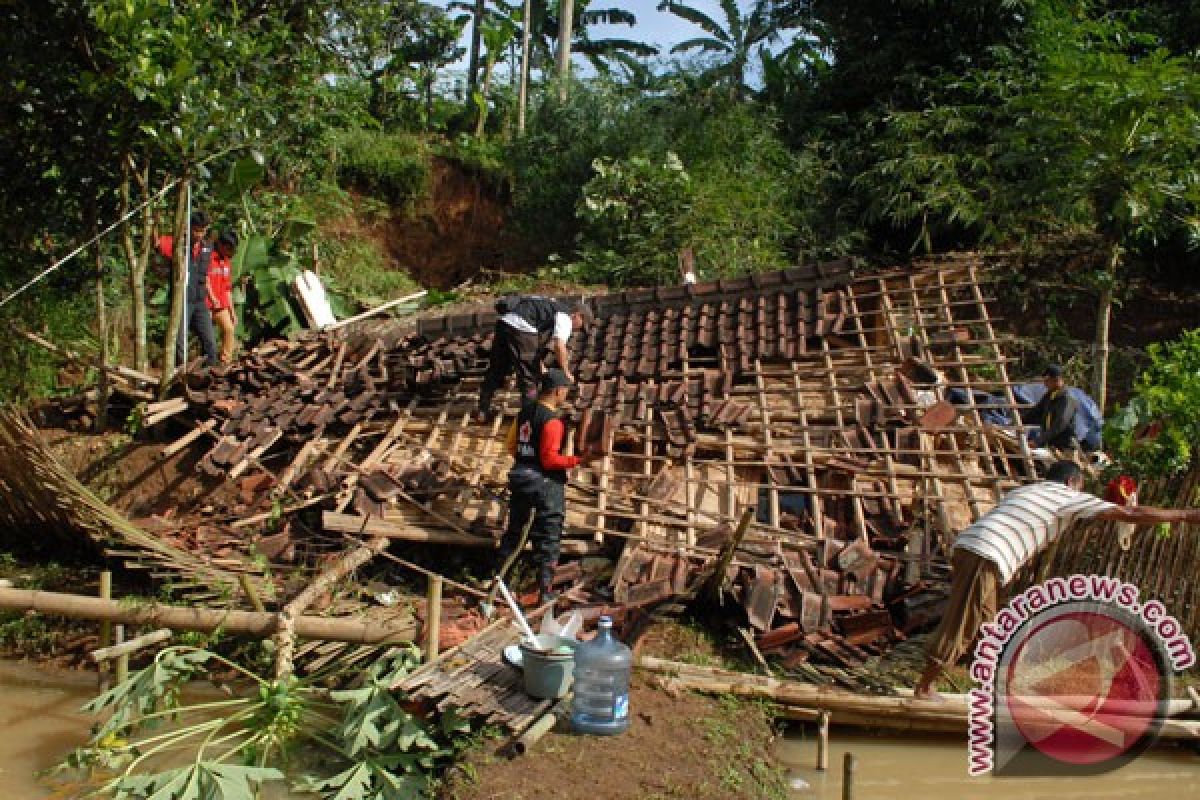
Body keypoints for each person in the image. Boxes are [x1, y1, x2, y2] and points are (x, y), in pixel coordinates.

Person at [914, 460, 1200, 700]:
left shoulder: (1028, 491)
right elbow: (1130, 512)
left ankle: (997, 690)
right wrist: (1185, 516)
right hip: (987, 553)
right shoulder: (1067, 497)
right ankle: (925, 686)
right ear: (1073, 482)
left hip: (970, 547)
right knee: (965, 622)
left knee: (988, 626)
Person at [498, 369, 598, 605]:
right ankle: (546, 593)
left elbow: (511, 445)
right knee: (549, 539)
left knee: (514, 533)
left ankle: (502, 585)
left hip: (521, 479)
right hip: (545, 484)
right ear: (557, 391)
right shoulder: (552, 422)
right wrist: (577, 461)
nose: (566, 395)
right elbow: (550, 460)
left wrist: (525, 460)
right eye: (565, 391)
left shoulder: (524, 413)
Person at [477, 296, 593, 421]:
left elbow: (532, 347)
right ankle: (529, 417)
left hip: (504, 323)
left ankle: (483, 409)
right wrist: (566, 371)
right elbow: (559, 346)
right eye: (581, 326)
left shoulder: (548, 305)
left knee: (497, 367)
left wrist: (539, 363)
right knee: (530, 377)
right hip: (522, 328)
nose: (577, 330)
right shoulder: (565, 318)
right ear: (577, 315)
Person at [158, 210, 218, 367]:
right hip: (182, 299)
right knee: (180, 343)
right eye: (197, 230)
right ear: (189, 228)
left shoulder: (207, 248)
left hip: (200, 300)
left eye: (203, 230)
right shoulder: (178, 245)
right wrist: (154, 220)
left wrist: (212, 298)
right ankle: (181, 374)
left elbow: (205, 276)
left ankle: (210, 375)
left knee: (210, 342)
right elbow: (157, 244)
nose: (199, 234)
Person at [1020, 365, 1080, 450]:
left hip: (1064, 447)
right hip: (1050, 444)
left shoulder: (1067, 399)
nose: (1045, 384)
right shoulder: (1049, 396)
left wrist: (1038, 441)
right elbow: (1034, 412)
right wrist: (1017, 422)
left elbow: (1059, 425)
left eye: (1047, 381)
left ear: (1057, 380)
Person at [209, 231, 238, 364]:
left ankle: (225, 361)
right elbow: (205, 280)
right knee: (207, 336)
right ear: (220, 244)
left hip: (221, 305)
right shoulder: (208, 257)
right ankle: (207, 361)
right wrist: (212, 297)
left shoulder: (226, 262)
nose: (229, 250)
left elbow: (227, 289)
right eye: (227, 247)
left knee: (229, 329)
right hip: (206, 304)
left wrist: (232, 311)